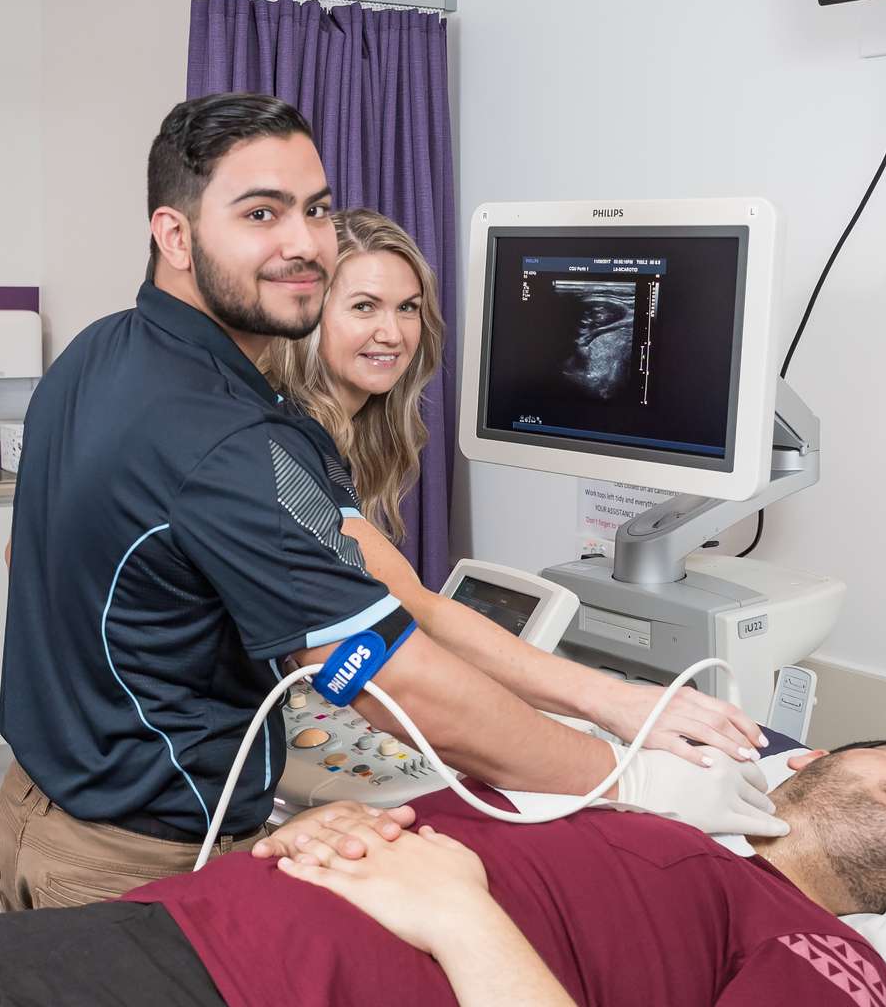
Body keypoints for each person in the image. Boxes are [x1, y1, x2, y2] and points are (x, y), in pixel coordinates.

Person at [0, 92, 782, 913]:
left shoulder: (99, 351)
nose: (303, 244)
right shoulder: (229, 442)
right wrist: (633, 777)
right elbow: (385, 670)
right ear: (176, 235)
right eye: (260, 213)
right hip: (130, 859)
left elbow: (29, 557)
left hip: (37, 809)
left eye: (316, 209)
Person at [0, 734, 886, 1007]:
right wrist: (307, 837)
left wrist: (458, 917)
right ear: (802, 769)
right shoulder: (648, 822)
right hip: (175, 928)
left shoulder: (834, 958)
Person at [263, 206, 772, 765]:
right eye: (364, 307)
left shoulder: (320, 435)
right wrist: (615, 703)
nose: (392, 333)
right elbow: (415, 612)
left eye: (407, 308)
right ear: (306, 316)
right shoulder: (283, 439)